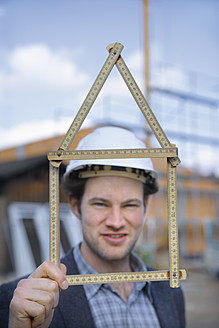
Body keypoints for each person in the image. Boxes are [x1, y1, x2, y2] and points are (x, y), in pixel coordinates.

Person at [0, 126, 185, 328]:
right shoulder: (19, 307)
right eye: (100, 204)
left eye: (129, 205)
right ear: (75, 205)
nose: (116, 222)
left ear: (145, 206)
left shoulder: (170, 292)